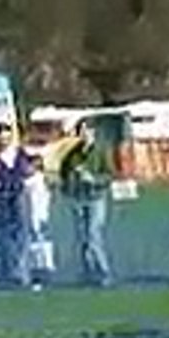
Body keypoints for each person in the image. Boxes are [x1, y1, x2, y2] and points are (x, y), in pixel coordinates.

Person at [60, 120, 113, 287]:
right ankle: (87, 272)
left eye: (86, 131)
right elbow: (64, 174)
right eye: (80, 132)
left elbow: (109, 175)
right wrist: (68, 187)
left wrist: (93, 179)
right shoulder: (73, 154)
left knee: (93, 235)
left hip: (95, 198)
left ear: (93, 132)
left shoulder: (101, 151)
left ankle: (103, 272)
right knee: (82, 237)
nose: (83, 135)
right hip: (78, 199)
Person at [0, 123, 33, 287]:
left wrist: (29, 170)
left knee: (22, 234)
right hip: (1, 196)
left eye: (7, 138)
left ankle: (22, 274)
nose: (4, 142)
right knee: (3, 235)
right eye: (1, 139)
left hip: (19, 194)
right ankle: (6, 273)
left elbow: (28, 170)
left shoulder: (20, 153)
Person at [25, 155, 55, 291]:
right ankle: (40, 270)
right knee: (37, 243)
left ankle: (42, 270)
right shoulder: (31, 181)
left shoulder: (37, 180)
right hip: (35, 216)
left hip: (39, 216)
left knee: (39, 243)